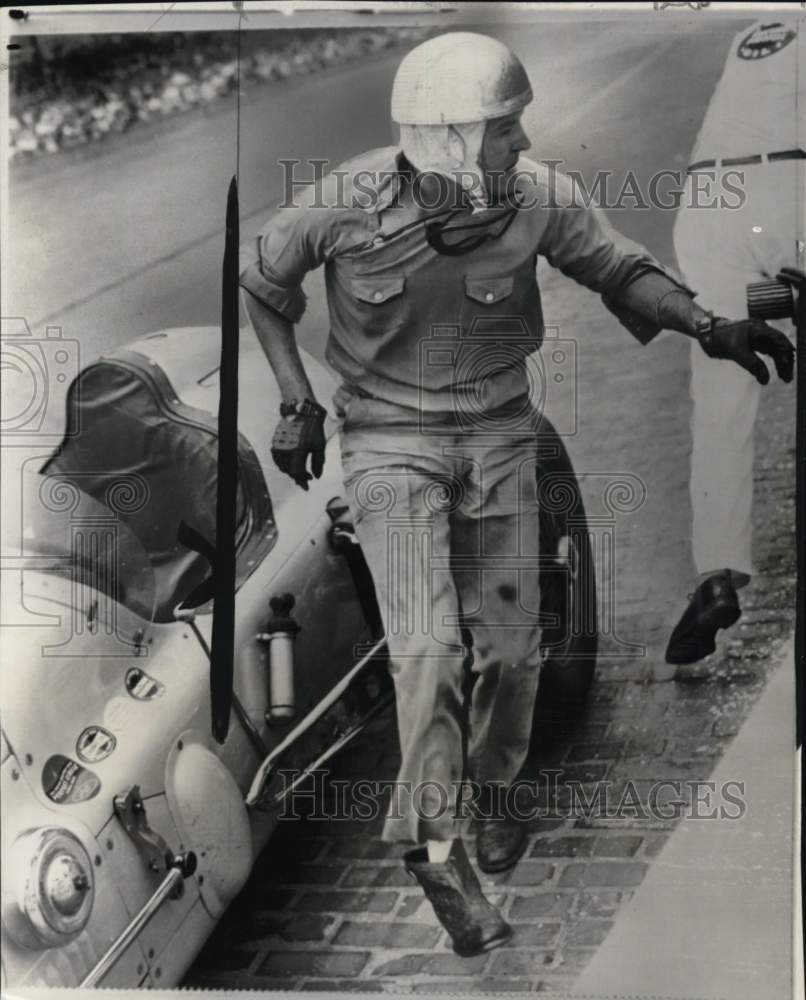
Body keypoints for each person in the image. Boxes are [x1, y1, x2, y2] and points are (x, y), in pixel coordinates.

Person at [239, 32, 793, 955]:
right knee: (427, 650)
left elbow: (620, 268)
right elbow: (263, 283)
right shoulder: (341, 203)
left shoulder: (537, 198)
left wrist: (710, 326)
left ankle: (495, 790)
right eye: (505, 129)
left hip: (499, 432)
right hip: (388, 443)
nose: (524, 144)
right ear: (450, 141)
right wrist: (297, 403)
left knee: (514, 648)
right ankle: (433, 842)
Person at [665, 17, 802, 665]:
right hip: (795, 187)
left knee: (719, 390)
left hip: (707, 199)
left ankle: (716, 576)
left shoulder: (754, 29)